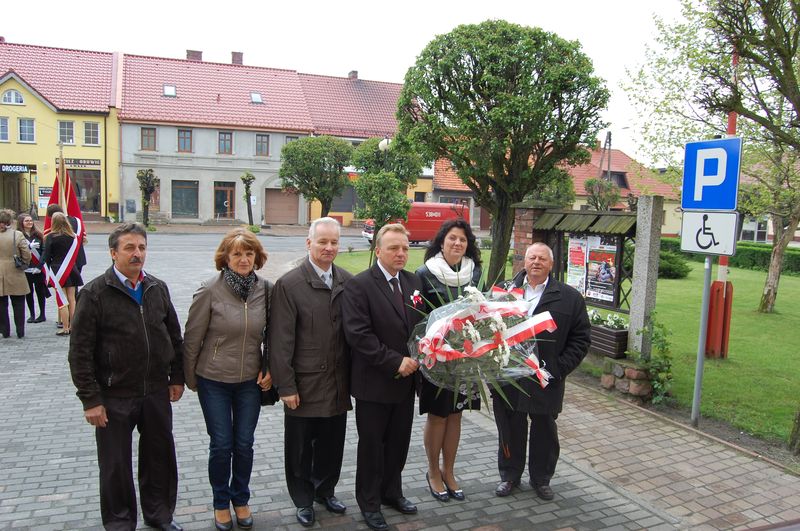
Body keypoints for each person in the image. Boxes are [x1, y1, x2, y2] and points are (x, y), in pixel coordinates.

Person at [68, 222, 185, 531]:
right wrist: (90, 399)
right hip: (113, 395)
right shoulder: (94, 294)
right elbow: (80, 352)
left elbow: (174, 336)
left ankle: (159, 515)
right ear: (112, 252)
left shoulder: (156, 287)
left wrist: (177, 377)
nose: (137, 254)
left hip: (155, 392)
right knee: (115, 464)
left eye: (142, 248)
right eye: (130, 248)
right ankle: (120, 522)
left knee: (159, 457)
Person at [183, 228, 272, 531]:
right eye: (237, 254)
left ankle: (241, 498)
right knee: (222, 444)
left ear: (257, 257)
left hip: (249, 380)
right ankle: (221, 502)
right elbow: (192, 337)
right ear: (226, 258)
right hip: (214, 380)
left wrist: (269, 366)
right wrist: (189, 378)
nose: (244, 259)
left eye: (249, 253)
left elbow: (275, 334)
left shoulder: (266, 290)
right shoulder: (209, 290)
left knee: (244, 444)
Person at [269, 217, 354, 527]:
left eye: (334, 242)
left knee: (333, 442)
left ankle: (325, 490)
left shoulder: (346, 280)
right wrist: (285, 385)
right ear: (309, 243)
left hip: (337, 380)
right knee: (301, 448)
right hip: (304, 383)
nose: (329, 247)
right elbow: (279, 341)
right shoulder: (289, 285)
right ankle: (303, 498)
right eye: (323, 242)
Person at [342, 223, 425, 531]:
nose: (401, 253)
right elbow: (358, 335)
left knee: (398, 444)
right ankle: (369, 502)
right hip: (374, 384)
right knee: (373, 447)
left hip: (406, 383)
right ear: (378, 251)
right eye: (394, 248)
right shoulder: (360, 285)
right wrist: (395, 362)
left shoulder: (413, 281)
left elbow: (420, 325)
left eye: (405, 247)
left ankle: (392, 493)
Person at [492, 242, 591, 501]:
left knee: (544, 430)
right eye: (531, 257)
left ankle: (541, 479)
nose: (536, 262)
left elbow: (580, 339)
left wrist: (559, 368)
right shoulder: (503, 291)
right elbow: (486, 328)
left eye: (542, 259)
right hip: (509, 376)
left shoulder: (569, 297)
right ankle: (509, 476)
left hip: (546, 377)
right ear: (524, 262)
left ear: (551, 264)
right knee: (510, 427)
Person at [414, 219, 482, 502]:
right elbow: (417, 318)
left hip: (465, 359)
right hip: (436, 360)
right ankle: (432, 471)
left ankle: (449, 471)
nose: (457, 243)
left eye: (463, 240)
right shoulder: (424, 273)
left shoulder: (474, 273)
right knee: (438, 415)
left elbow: (481, 309)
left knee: (456, 415)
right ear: (441, 242)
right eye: (452, 238)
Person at [41, 212, 83, 335]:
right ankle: (74, 326)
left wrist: (46, 269)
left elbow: (47, 256)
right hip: (72, 268)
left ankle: (65, 327)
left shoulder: (51, 237)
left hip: (57, 270)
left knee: (61, 299)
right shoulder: (74, 236)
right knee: (72, 299)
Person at [0, 209, 32, 339]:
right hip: (15, 270)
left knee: (1, 304)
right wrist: (24, 263)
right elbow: (26, 254)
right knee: (18, 303)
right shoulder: (17, 235)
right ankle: (20, 330)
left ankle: (4, 331)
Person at [17, 213, 48, 323]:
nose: (30, 222)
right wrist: (28, 248)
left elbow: (44, 251)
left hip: (37, 268)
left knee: (40, 292)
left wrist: (40, 266)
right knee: (28, 292)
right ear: (21, 223)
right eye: (27, 221)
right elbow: (16, 251)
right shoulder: (18, 235)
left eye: (30, 220)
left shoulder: (39, 235)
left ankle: (42, 314)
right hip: (26, 268)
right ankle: (32, 314)